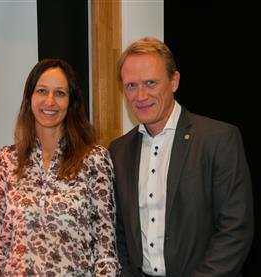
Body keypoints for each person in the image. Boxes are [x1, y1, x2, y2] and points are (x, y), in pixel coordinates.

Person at [109, 37, 254, 277]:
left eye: (150, 83)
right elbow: (119, 232)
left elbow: (235, 230)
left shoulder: (218, 139)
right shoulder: (119, 151)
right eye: (131, 86)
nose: (140, 95)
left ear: (174, 81)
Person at [0, 59, 120, 276]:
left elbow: (105, 251)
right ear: (30, 97)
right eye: (42, 91)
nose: (50, 101)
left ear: (71, 101)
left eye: (60, 93)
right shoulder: (6, 159)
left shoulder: (95, 159)